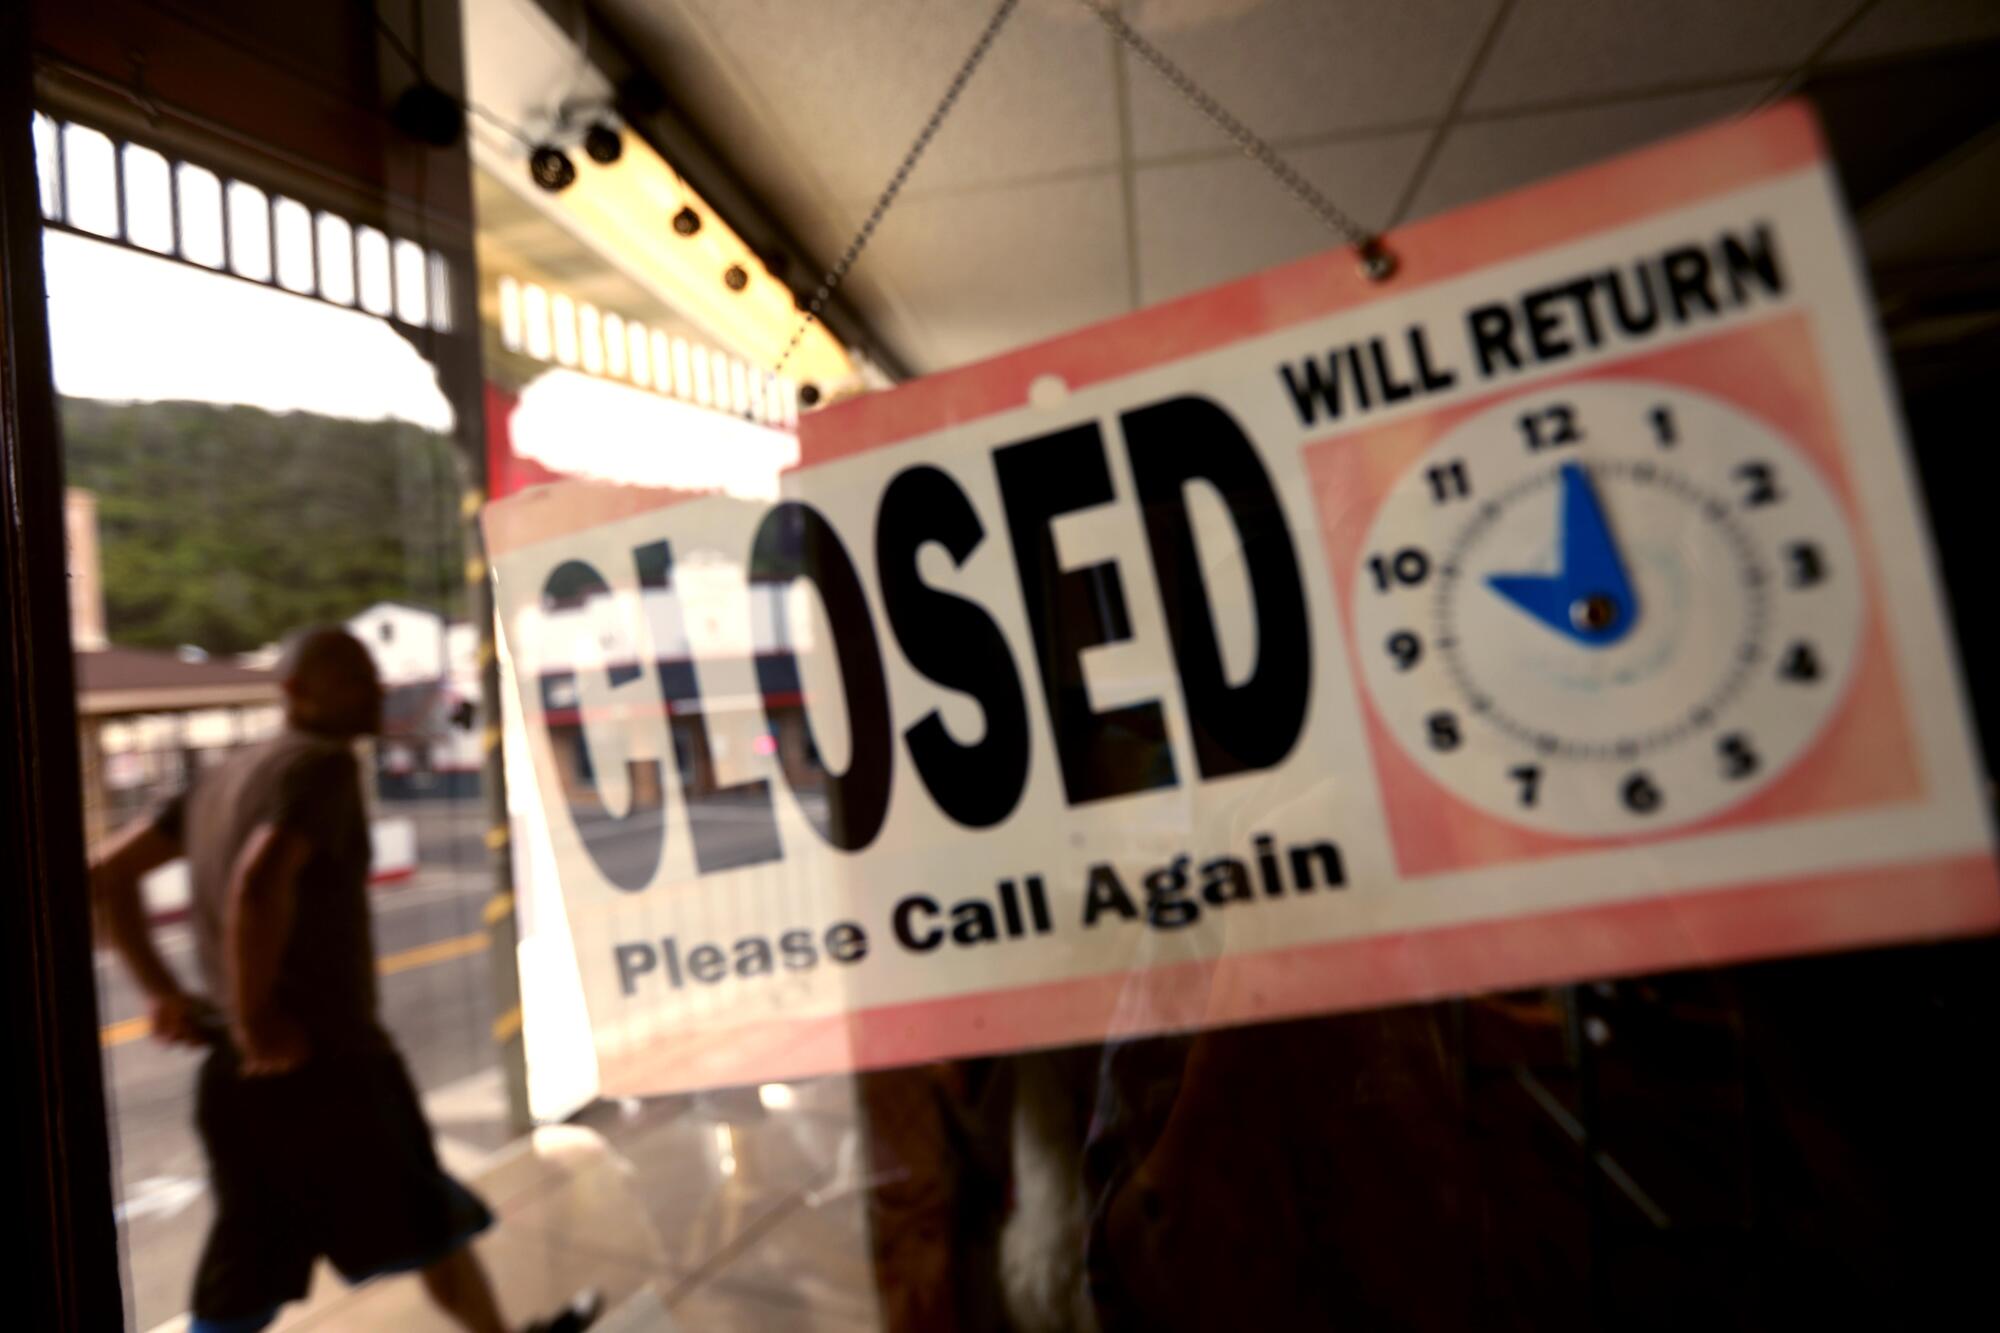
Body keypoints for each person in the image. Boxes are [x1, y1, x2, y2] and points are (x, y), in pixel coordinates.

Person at [90, 627, 598, 1333]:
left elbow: (106, 875)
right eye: (351, 678)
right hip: (327, 1065)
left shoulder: (226, 774)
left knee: (250, 1270)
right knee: (423, 1224)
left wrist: (167, 993)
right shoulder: (320, 766)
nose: (374, 691)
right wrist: (255, 1012)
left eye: (372, 676)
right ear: (295, 691)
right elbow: (259, 882)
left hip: (238, 1077)